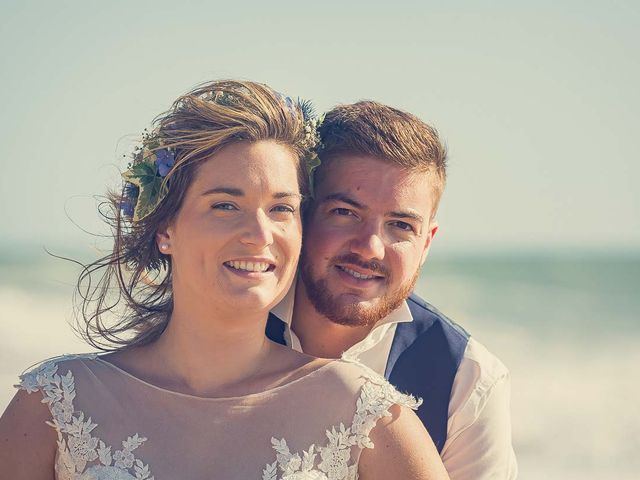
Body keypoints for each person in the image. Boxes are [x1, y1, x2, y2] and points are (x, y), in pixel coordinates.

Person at [0, 81, 450, 480]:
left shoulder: (367, 416)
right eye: (225, 205)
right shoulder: (57, 405)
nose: (259, 235)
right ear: (164, 228)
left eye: (281, 208)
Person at [266, 101, 518, 479]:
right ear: (305, 211)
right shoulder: (232, 322)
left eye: (400, 225)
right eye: (345, 213)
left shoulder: (469, 382)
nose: (369, 247)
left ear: (426, 243)